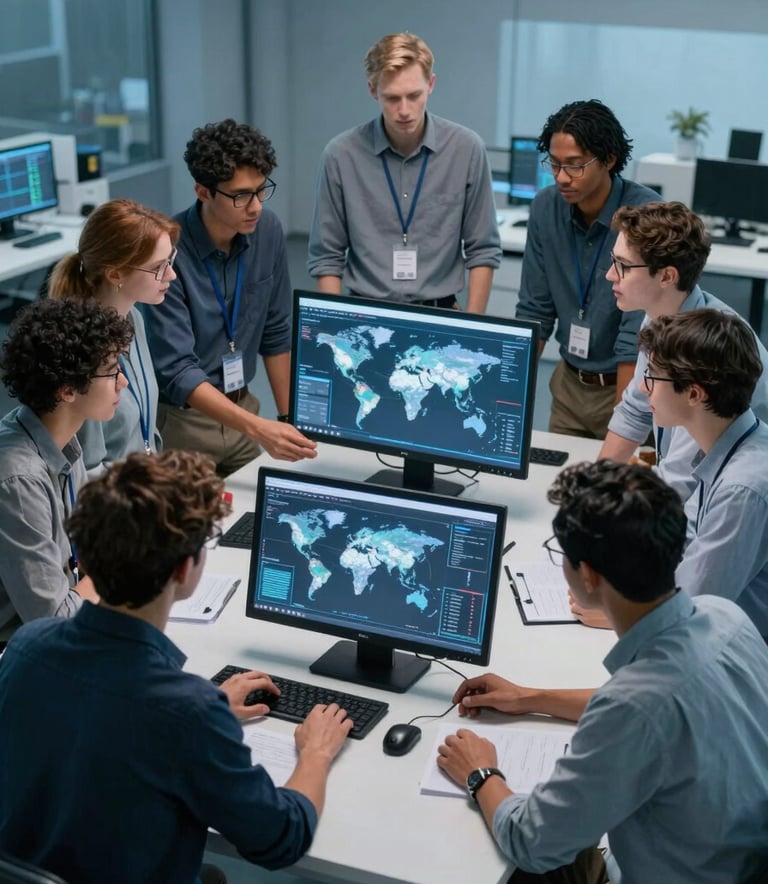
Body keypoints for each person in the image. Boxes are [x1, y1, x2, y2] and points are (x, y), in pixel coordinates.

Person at [0, 449, 353, 883]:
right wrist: (316, 753)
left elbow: (100, 724)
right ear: (185, 569)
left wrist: (207, 706)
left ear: (86, 560)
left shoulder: (25, 648)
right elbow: (282, 837)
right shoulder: (188, 712)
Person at [437, 460, 768, 883]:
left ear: (589, 574)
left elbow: (531, 842)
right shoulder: (726, 618)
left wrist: (479, 773)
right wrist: (529, 698)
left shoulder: (634, 707)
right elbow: (665, 707)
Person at [144, 118, 317, 476]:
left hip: (243, 410)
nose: (255, 206)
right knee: (195, 528)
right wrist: (260, 429)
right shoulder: (168, 251)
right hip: (185, 424)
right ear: (203, 192)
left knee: (260, 516)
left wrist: (286, 420)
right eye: (240, 195)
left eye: (260, 190)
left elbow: (276, 330)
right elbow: (177, 371)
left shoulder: (267, 231)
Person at [307, 32, 501, 312]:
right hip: (365, 312)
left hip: (441, 311)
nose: (405, 111)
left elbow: (483, 249)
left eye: (414, 95)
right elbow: (326, 256)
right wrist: (337, 324)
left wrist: (474, 326)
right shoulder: (340, 155)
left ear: (431, 84)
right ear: (373, 90)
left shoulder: (467, 149)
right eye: (392, 98)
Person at [598, 201, 768, 499]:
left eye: (623, 266)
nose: (610, 274)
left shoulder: (708, 349)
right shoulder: (659, 316)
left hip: (734, 497)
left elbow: (679, 481)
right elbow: (634, 412)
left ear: (666, 277)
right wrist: (592, 489)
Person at [514, 99, 659, 439]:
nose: (562, 177)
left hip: (628, 385)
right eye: (555, 164)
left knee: (618, 487)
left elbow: (635, 336)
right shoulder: (545, 208)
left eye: (575, 166)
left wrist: (626, 422)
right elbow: (534, 310)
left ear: (608, 160)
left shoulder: (645, 215)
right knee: (559, 487)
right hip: (568, 385)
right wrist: (508, 398)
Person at [0, 299, 133, 642]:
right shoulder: (18, 479)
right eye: (111, 371)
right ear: (67, 390)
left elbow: (79, 554)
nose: (123, 383)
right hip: (19, 654)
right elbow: (53, 620)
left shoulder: (64, 443)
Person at [49, 197, 180, 474]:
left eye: (170, 260)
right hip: (111, 504)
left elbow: (143, 428)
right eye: (158, 267)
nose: (172, 275)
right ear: (116, 273)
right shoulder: (83, 347)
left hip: (145, 485)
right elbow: (86, 469)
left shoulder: (133, 319)